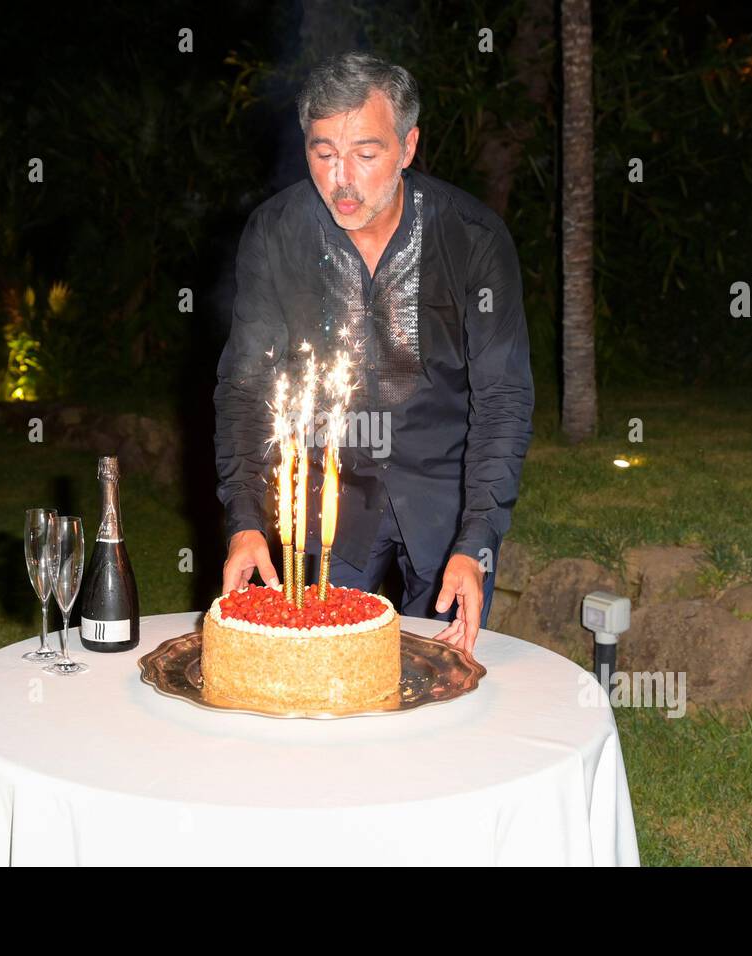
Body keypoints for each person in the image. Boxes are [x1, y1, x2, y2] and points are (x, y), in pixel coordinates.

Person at [214, 51, 534, 655]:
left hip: (445, 498)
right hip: (324, 499)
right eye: (324, 153)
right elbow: (245, 386)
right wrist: (245, 519)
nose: (342, 180)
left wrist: (478, 538)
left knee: (439, 686)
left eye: (366, 154)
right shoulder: (276, 232)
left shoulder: (473, 239)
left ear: (408, 147)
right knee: (318, 681)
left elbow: (503, 397)